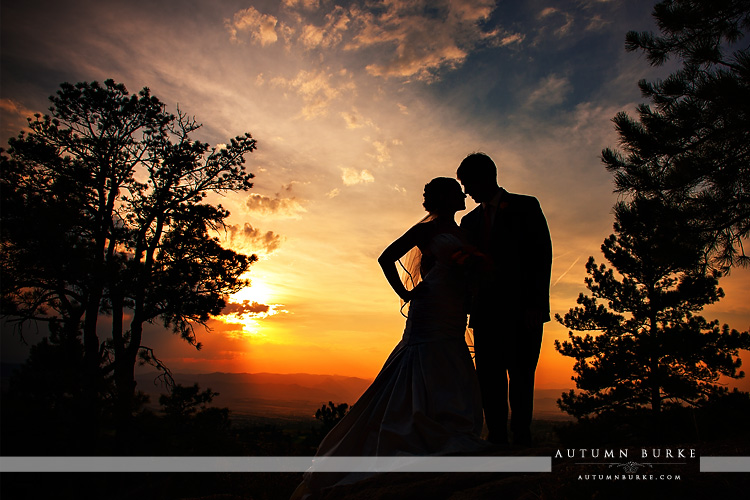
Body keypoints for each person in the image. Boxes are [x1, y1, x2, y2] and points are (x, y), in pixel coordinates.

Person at [292, 177, 488, 499]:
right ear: (444, 198)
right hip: (429, 307)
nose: (462, 194)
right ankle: (409, 433)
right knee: (419, 362)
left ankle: (447, 429)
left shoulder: (466, 233)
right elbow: (387, 257)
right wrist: (406, 292)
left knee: (452, 362)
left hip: (454, 309)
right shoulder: (426, 230)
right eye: (455, 190)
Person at [457, 152, 552, 447]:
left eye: (468, 184)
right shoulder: (469, 221)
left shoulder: (526, 206)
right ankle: (497, 438)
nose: (466, 192)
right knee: (489, 378)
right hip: (485, 313)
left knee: (522, 375)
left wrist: (537, 305)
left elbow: (542, 256)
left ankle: (522, 437)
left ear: (486, 177)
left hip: (524, 310)